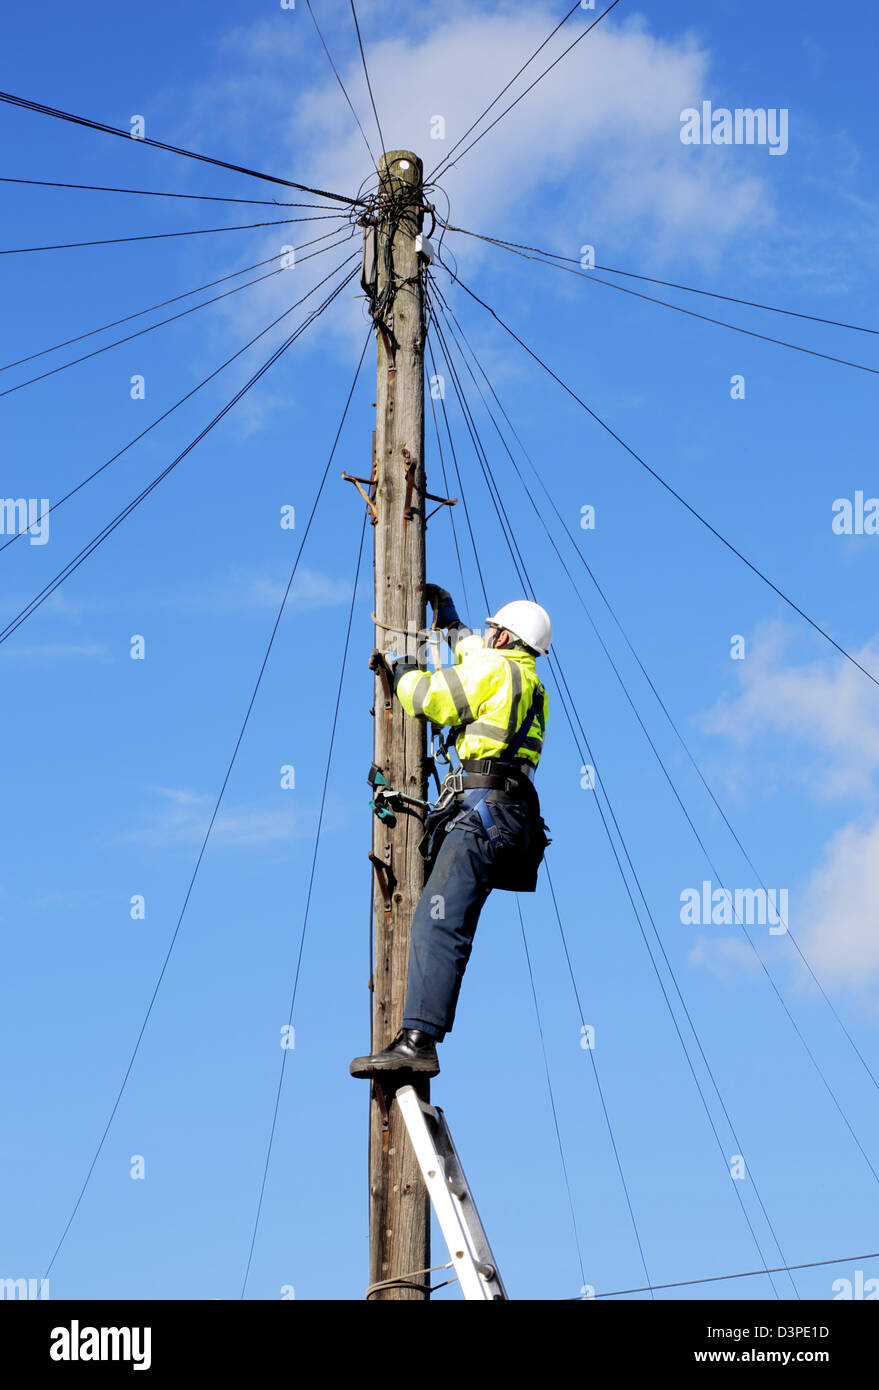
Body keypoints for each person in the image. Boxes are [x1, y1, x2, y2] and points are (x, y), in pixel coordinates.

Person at [349, 587, 552, 1080]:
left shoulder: (493, 669)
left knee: (436, 922)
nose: (484, 635)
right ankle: (418, 1033)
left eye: (491, 629)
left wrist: (401, 672)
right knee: (447, 917)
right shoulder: (530, 683)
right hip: (514, 820)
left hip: (482, 815)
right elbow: (475, 657)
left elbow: (433, 699)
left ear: (505, 635)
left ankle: (417, 1040)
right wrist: (450, 619)